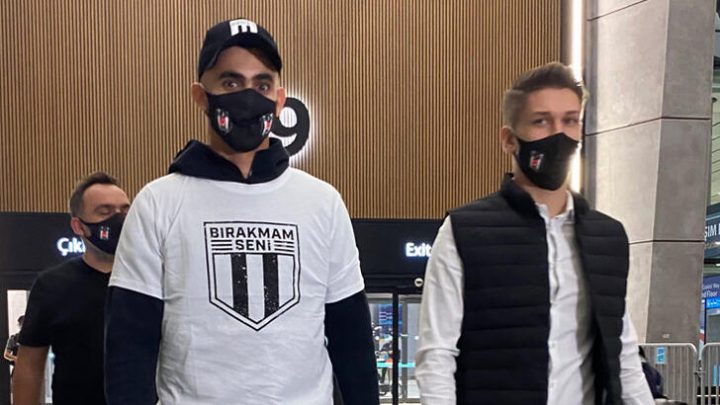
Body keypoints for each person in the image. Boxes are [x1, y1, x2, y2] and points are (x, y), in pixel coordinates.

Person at [104, 18, 379, 405]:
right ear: (201, 96)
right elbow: (129, 348)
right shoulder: (158, 203)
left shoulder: (322, 202)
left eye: (261, 85)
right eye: (231, 83)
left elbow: (352, 340)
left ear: (279, 99)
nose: (248, 97)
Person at [415, 62, 654, 405]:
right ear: (509, 140)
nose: (559, 134)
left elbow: (624, 355)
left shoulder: (607, 237)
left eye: (570, 120)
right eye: (541, 121)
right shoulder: (465, 231)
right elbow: (437, 356)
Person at [12, 172, 130, 405]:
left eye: (125, 211)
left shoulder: (152, 278)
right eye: (105, 212)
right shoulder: (52, 285)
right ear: (78, 226)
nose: (119, 219)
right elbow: (30, 366)